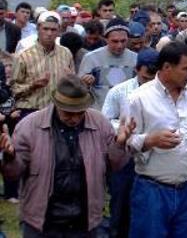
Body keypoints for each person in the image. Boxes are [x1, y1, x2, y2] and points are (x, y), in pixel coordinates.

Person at [0, 74, 133, 237]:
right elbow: (13, 173)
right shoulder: (29, 127)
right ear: (56, 104)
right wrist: (10, 156)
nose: (75, 118)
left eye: (80, 112)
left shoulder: (100, 123)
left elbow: (115, 165)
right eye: (69, 113)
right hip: (42, 222)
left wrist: (119, 145)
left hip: (85, 222)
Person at [126, 42, 187, 237]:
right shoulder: (139, 98)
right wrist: (150, 140)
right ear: (167, 67)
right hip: (152, 191)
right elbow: (126, 143)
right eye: (186, 68)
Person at [100, 48, 159, 238]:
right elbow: (105, 120)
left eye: (153, 77)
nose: (149, 82)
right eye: (145, 77)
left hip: (154, 156)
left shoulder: (165, 93)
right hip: (125, 157)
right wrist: (123, 129)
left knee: (149, 206)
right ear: (136, 70)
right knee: (121, 204)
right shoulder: (119, 92)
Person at [12, 11, 75, 115]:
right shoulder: (23, 56)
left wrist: (71, 80)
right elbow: (13, 90)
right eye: (45, 29)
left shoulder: (66, 53)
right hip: (30, 110)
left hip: (58, 111)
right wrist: (33, 85)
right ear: (38, 29)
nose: (49, 33)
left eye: (53, 30)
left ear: (59, 31)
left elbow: (73, 83)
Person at [78, 19, 137, 110]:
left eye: (123, 41)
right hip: (99, 114)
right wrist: (85, 83)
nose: (119, 46)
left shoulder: (135, 59)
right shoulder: (91, 58)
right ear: (106, 39)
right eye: (115, 41)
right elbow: (79, 88)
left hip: (126, 114)